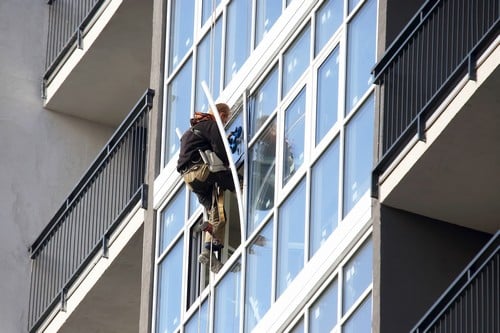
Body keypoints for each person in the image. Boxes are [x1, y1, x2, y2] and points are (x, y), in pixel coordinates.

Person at [177, 103, 235, 273]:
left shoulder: (192, 131)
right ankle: (242, 187)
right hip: (201, 171)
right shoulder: (211, 125)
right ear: (221, 114)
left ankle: (208, 251)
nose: (225, 123)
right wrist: (229, 163)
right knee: (229, 177)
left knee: (216, 214)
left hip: (189, 179)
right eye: (226, 119)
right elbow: (220, 150)